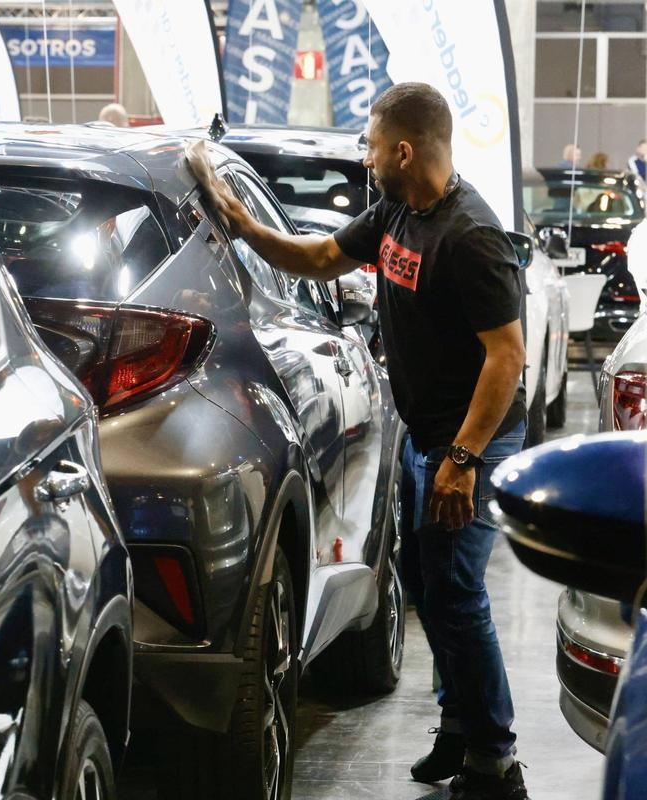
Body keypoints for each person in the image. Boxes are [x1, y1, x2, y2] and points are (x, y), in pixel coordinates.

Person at [188, 82, 528, 800]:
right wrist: (241, 223)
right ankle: (459, 729)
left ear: (404, 150)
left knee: (458, 592)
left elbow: (507, 357)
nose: (364, 155)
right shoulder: (400, 211)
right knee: (431, 591)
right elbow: (317, 259)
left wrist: (462, 461)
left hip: (474, 442)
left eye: (371, 144)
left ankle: (496, 762)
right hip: (427, 435)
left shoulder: (472, 237)